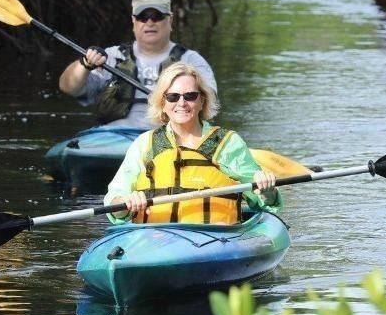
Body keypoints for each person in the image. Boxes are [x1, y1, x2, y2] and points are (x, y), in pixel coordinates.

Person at [104, 62, 280, 225]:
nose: (182, 103)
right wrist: (124, 203)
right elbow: (115, 201)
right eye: (173, 97)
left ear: (202, 100)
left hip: (216, 236)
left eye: (190, 96)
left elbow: (263, 203)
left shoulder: (227, 144)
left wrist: (267, 191)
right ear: (163, 103)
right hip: (154, 237)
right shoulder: (144, 144)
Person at [58, 0, 216, 128]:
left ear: (170, 20)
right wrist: (85, 64)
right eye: (142, 16)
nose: (150, 22)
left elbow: (208, 103)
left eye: (157, 16)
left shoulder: (191, 61)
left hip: (167, 138)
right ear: (133, 21)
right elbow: (69, 88)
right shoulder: (110, 57)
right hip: (112, 136)